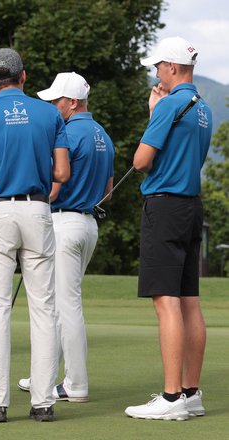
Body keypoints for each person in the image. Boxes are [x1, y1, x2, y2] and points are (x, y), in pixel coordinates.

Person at [0, 48, 70, 423]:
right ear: (24, 77)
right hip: (38, 209)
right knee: (44, 308)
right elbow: (62, 174)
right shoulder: (49, 113)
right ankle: (43, 403)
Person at [124, 36, 212, 421]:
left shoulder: (170, 104)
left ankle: (172, 397)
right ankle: (191, 393)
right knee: (189, 299)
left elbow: (141, 160)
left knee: (166, 300)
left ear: (173, 67)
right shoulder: (204, 107)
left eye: (158, 65)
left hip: (165, 206)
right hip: (192, 207)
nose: (155, 72)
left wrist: (153, 113)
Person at [17, 72, 115, 403]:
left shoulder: (67, 134)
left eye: (56, 101)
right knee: (59, 305)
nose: (52, 107)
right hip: (88, 225)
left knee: (64, 305)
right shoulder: (103, 134)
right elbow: (108, 192)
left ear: (72, 102)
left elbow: (54, 188)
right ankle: (44, 376)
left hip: (63, 224)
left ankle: (75, 384)